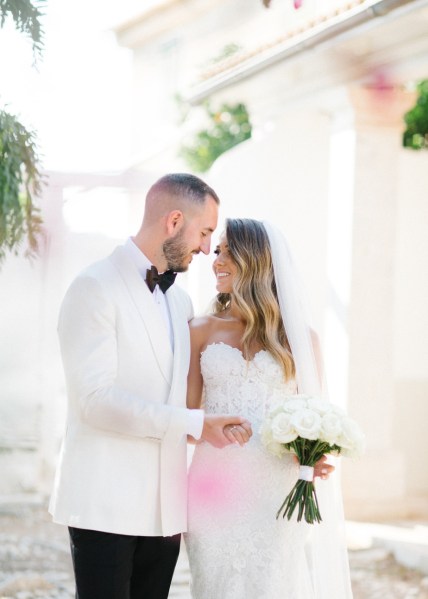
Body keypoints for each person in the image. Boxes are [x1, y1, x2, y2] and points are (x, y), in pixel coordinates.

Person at [49, 174, 252, 599]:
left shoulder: (180, 302)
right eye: (204, 232)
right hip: (104, 504)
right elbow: (95, 401)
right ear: (174, 221)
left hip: (165, 511)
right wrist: (193, 423)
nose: (204, 247)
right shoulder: (93, 287)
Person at [185, 218, 353, 599]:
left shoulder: (300, 340)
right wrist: (207, 427)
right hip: (215, 490)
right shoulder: (199, 330)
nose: (217, 260)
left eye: (229, 252)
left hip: (277, 492)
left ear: (257, 262)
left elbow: (316, 418)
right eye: (216, 251)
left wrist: (315, 454)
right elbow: (184, 417)